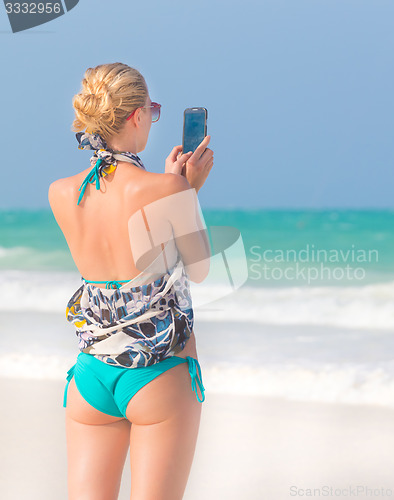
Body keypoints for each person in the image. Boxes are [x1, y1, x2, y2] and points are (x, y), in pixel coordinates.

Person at [48, 62, 213, 500]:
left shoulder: (61, 192)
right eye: (151, 111)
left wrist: (172, 189)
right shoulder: (166, 189)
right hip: (157, 373)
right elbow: (198, 268)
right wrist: (186, 191)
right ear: (136, 116)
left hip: (91, 377)